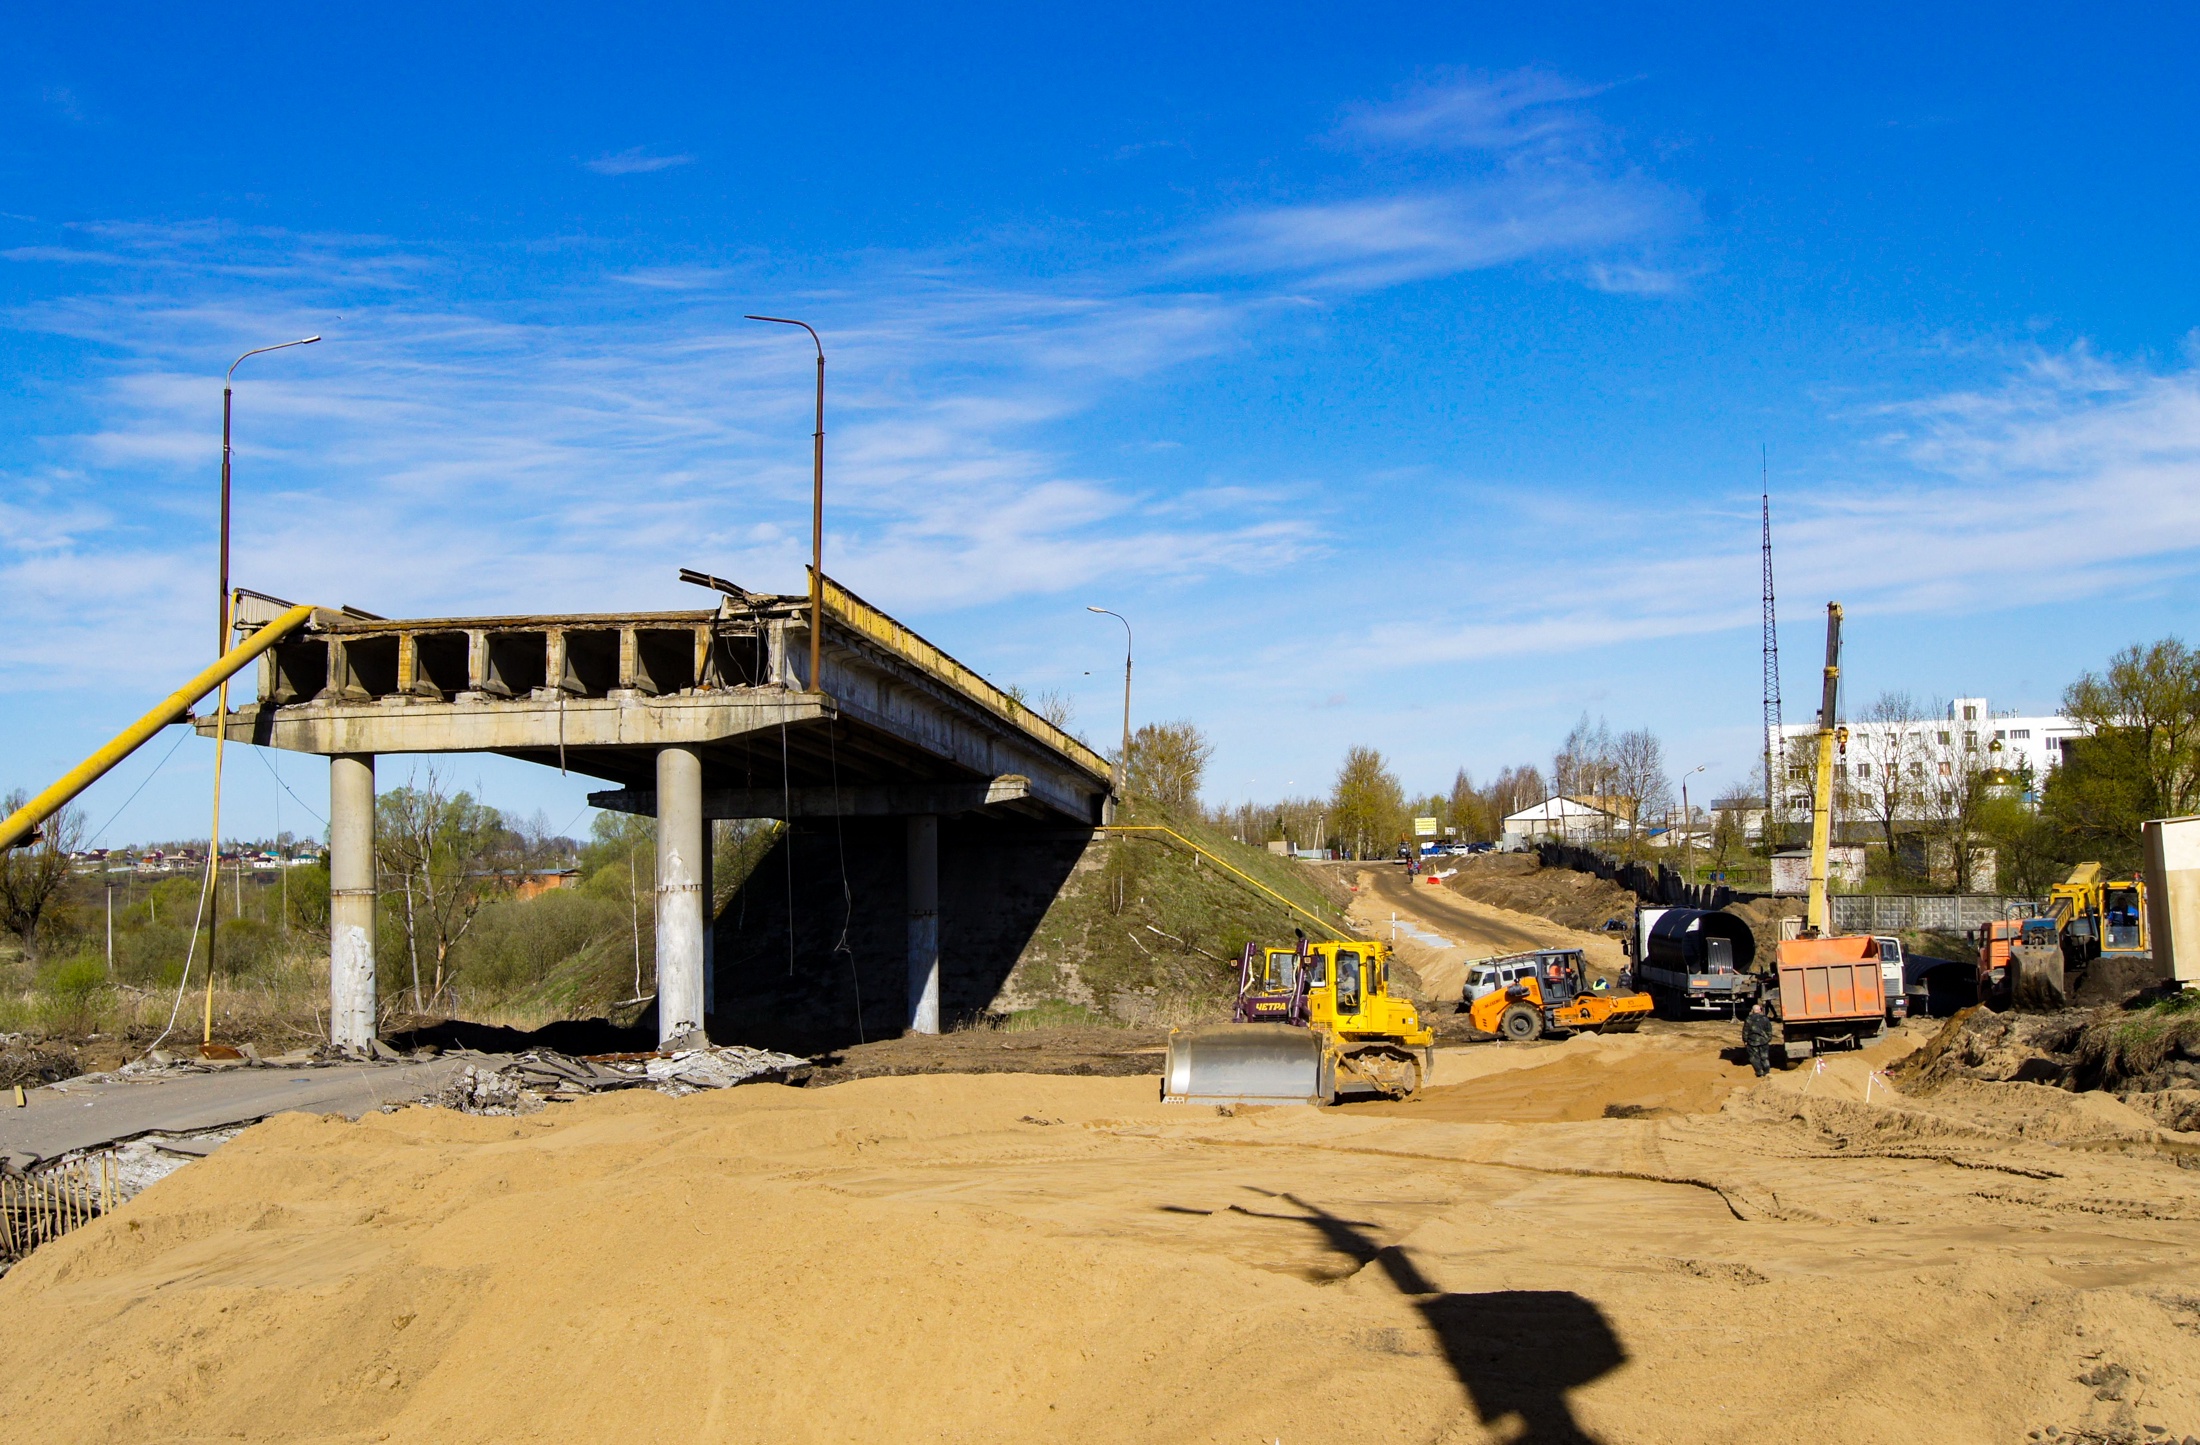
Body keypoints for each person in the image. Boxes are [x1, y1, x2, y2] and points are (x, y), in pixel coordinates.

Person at [1742, 1000, 1775, 1078]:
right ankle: (1767, 1071)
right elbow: (1769, 1029)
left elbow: (1745, 1030)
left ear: (1752, 1011)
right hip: (1763, 1041)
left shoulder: (1748, 1019)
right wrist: (1768, 1038)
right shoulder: (1765, 1019)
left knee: (1754, 1058)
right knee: (1764, 1056)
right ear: (1760, 1010)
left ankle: (1759, 1072)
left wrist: (1745, 1040)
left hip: (1752, 1041)